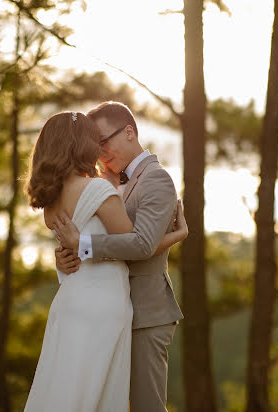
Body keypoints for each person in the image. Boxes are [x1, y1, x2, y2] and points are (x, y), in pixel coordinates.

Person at [23, 110, 187, 412]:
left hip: (144, 311)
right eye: (94, 143)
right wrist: (178, 235)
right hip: (106, 306)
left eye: (103, 141)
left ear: (129, 132)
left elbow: (139, 244)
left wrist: (76, 249)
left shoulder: (155, 179)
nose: (100, 150)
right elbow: (135, 243)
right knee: (91, 393)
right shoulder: (99, 186)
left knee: (134, 403)